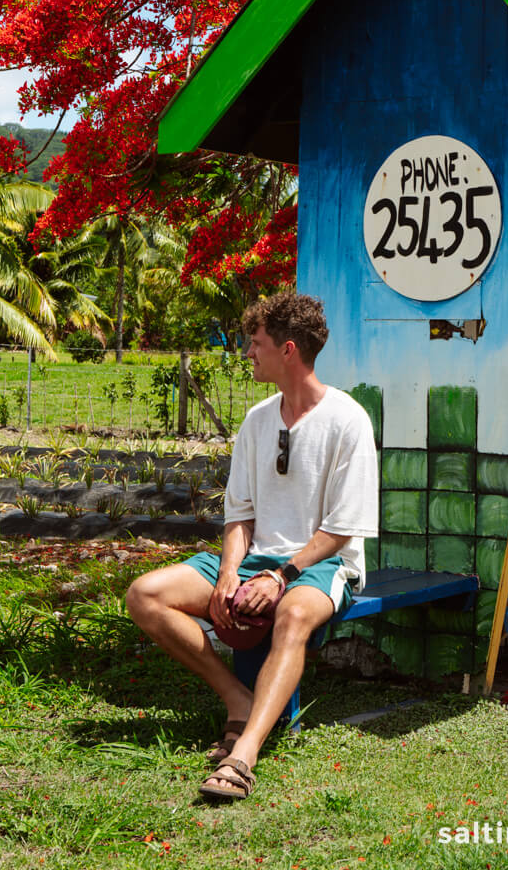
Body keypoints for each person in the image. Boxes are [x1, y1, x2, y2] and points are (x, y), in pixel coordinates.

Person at [124, 291, 378, 803]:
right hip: (256, 559)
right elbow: (240, 515)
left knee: (292, 618)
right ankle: (236, 697)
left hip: (321, 564)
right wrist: (228, 575)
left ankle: (245, 755)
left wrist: (279, 576)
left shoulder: (347, 420)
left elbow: (341, 530)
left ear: (287, 350)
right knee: (145, 595)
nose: (247, 352)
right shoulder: (258, 420)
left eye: (255, 343)